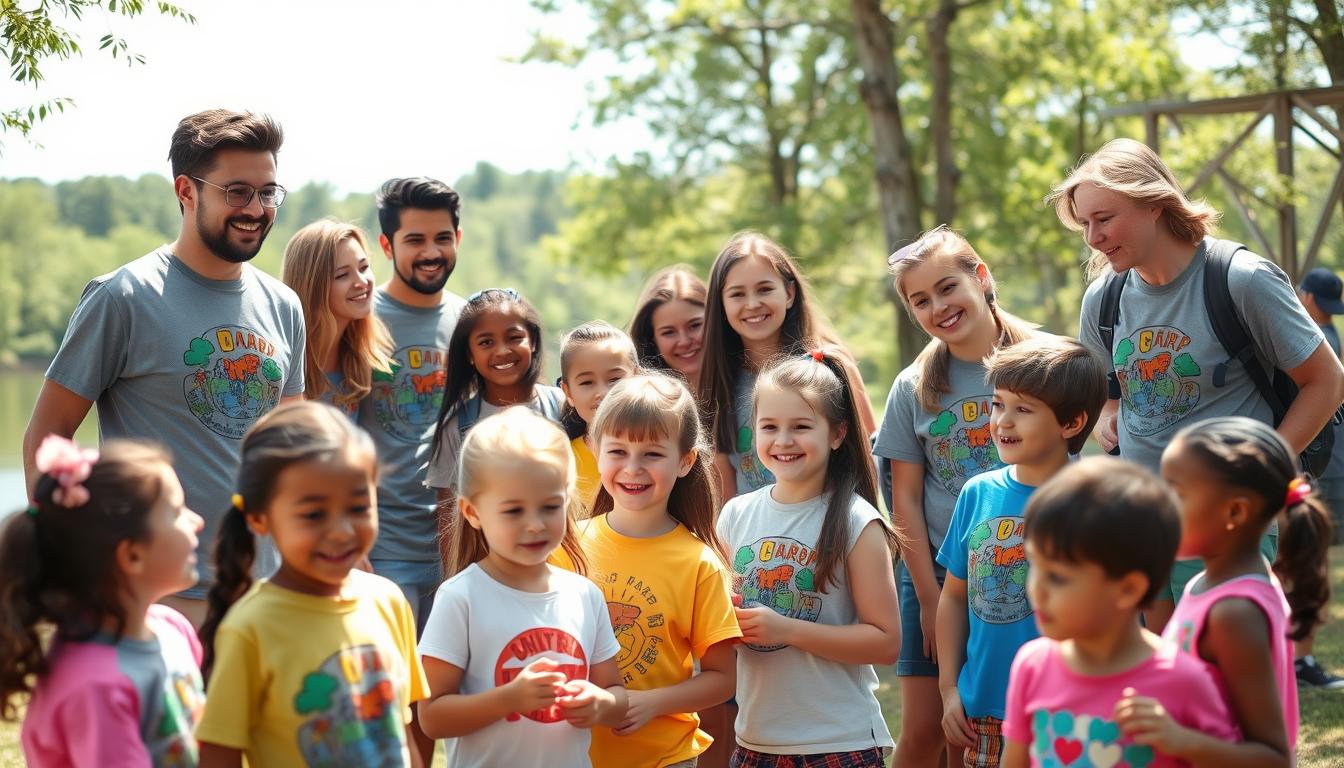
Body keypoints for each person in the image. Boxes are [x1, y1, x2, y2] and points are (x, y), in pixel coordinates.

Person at [22, 109, 305, 626]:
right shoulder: (123, 297)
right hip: (157, 599)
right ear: (186, 191)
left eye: (268, 192)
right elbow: (49, 434)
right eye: (237, 191)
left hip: (264, 596)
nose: (257, 208)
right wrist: (66, 562)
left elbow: (290, 450)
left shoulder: (284, 305)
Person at [1053, 138, 1344, 630]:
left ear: (1154, 203)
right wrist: (1108, 413)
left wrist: (1261, 466)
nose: (1092, 238)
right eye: (1084, 224)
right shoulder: (1102, 298)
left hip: (1227, 520)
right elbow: (1104, 388)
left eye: (1104, 218)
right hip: (1142, 521)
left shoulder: (1242, 279)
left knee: (1222, 679)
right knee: (1165, 681)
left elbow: (1327, 381)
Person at [872, 225, 1036, 768]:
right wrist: (927, 596)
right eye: (920, 300)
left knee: (1017, 722)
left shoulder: (1045, 362)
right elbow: (905, 502)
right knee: (928, 731)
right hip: (939, 576)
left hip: (1029, 568)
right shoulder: (913, 386)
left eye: (947, 288)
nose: (938, 306)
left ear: (981, 277)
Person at [196, 401, 428, 767]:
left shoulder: (388, 601)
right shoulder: (250, 628)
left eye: (358, 507)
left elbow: (401, 732)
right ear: (259, 517)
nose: (341, 532)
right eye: (314, 514)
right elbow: (218, 755)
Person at [716, 352, 900, 766]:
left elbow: (886, 642)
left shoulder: (857, 521)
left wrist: (786, 628)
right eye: (769, 427)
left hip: (838, 742)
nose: (783, 440)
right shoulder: (734, 515)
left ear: (837, 433)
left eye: (801, 426)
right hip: (755, 741)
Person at [417, 407, 627, 767]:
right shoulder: (460, 597)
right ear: (472, 512)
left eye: (549, 507)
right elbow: (432, 717)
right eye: (514, 511)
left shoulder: (584, 595)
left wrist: (600, 704)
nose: (534, 525)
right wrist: (509, 699)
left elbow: (616, 695)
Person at [936, 336, 1107, 767]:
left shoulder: (1094, 500)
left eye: (1023, 409)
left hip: (1071, 709)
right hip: (985, 711)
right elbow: (954, 596)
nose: (1002, 422)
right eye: (998, 404)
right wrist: (949, 689)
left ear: (1071, 423)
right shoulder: (977, 493)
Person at [1003, 458, 1237, 768]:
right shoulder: (1031, 666)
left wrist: (1184, 741)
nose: (1036, 590)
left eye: (1057, 577)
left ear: (1128, 589)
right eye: (1035, 567)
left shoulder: (1185, 680)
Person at [2, 437, 205, 766]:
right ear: (132, 554)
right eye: (177, 512)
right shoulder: (95, 686)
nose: (197, 521)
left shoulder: (171, 628)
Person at [581, 373, 741, 768]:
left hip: (664, 757)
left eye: (652, 454)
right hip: (571, 753)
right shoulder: (568, 545)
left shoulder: (700, 564)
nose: (632, 468)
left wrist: (651, 703)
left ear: (685, 461)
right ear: (595, 450)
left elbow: (723, 679)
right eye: (617, 451)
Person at [1157, 416, 1332, 763]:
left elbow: (1274, 757)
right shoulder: (1206, 584)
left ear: (1234, 511)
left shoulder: (1234, 612)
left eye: (1176, 494)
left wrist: (1179, 740)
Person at [358, 177, 469, 644]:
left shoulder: (471, 321)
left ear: (458, 239)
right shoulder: (360, 318)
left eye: (442, 238)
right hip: (382, 552)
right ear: (387, 245)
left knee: (447, 700)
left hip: (460, 551)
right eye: (415, 240)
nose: (431, 252)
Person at [699, 232, 876, 504]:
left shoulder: (828, 367)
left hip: (829, 530)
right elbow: (723, 491)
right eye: (737, 294)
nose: (753, 304)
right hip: (755, 541)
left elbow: (866, 464)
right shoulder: (720, 384)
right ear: (721, 304)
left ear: (789, 293)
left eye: (765, 289)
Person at [425, 288, 565, 517]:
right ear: (469, 354)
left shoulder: (561, 406)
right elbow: (448, 517)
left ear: (533, 341)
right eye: (486, 342)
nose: (502, 351)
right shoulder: (457, 426)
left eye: (514, 338)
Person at [281, 218, 394, 417]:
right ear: (313, 288)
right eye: (342, 275)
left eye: (364, 267)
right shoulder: (284, 364)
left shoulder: (360, 359)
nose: (361, 282)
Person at [559, 321, 640, 511]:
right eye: (587, 382)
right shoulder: (561, 459)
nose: (602, 393)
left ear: (637, 378)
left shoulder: (660, 449)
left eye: (614, 380)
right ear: (568, 392)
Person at [629, 266, 708, 390]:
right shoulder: (638, 401)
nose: (684, 342)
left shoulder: (747, 388)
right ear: (651, 340)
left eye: (695, 325)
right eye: (669, 332)